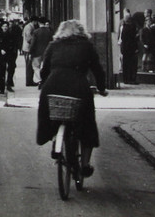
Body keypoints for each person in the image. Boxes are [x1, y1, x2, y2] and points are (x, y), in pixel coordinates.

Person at [36, 19, 107, 179]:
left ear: (61, 32)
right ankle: (85, 165)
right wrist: (101, 88)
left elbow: (44, 68)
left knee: (50, 113)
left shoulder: (53, 45)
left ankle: (54, 138)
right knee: (87, 124)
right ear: (81, 32)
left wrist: (44, 81)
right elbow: (97, 69)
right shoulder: (87, 46)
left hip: (53, 86)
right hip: (78, 88)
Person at [0, 18, 21, 93]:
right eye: (3, 26)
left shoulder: (11, 35)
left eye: (6, 26)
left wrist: (14, 52)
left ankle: (9, 84)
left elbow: (15, 44)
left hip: (10, 54)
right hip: (2, 55)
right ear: (1, 27)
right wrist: (0, 49)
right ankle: (1, 88)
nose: (5, 27)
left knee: (11, 70)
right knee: (1, 71)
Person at [119, 11, 142, 85]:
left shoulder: (123, 27)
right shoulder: (132, 27)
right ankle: (132, 79)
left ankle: (126, 79)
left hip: (125, 49)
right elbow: (133, 38)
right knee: (132, 65)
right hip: (131, 49)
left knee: (125, 65)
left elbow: (122, 38)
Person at [30, 17, 54, 87]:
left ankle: (39, 80)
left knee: (36, 67)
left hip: (37, 53)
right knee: (45, 67)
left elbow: (33, 43)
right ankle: (44, 80)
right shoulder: (49, 32)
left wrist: (31, 52)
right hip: (47, 52)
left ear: (39, 23)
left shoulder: (36, 32)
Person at [22, 15, 38, 86]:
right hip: (28, 48)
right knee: (29, 66)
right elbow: (28, 38)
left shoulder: (28, 26)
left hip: (27, 48)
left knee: (30, 65)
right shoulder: (29, 27)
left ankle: (30, 80)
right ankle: (29, 81)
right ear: (34, 21)